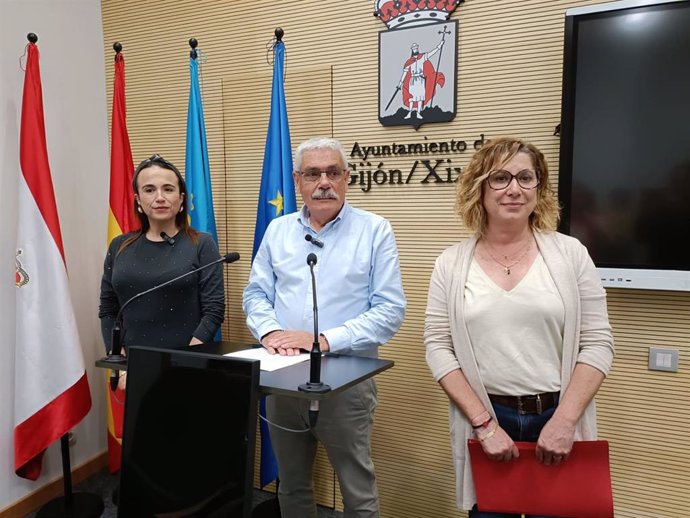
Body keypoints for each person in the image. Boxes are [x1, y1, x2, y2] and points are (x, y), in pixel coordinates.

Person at [424, 137, 614, 517]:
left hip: (559, 414)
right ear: (479, 187)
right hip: (489, 418)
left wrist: (564, 421)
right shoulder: (450, 263)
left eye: (526, 178)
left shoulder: (571, 254)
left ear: (538, 187)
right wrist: (484, 425)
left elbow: (598, 343)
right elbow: (437, 347)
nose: (514, 189)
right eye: (500, 178)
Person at [243, 137, 406, 518]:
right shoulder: (278, 231)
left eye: (333, 172)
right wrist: (269, 333)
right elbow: (256, 296)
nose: (324, 182)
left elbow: (389, 310)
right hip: (282, 380)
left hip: (346, 383)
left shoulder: (374, 230)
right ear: (298, 181)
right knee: (293, 485)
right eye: (313, 174)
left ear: (347, 178)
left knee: (357, 490)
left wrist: (322, 340)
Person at [99, 154, 225, 368]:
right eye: (149, 190)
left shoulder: (202, 244)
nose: (160, 197)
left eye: (168, 189)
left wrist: (185, 361)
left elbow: (214, 310)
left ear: (181, 198)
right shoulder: (119, 245)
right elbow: (108, 309)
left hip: (188, 366)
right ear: (138, 199)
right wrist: (119, 366)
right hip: (133, 367)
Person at [397, 41, 445, 119]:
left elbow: (431, 53)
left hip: (420, 80)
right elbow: (404, 74)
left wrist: (439, 46)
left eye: (416, 48)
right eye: (414, 48)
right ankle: (409, 112)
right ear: (412, 50)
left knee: (420, 98)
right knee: (411, 97)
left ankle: (418, 113)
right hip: (413, 80)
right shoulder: (409, 62)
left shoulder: (422, 58)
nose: (415, 50)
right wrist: (399, 84)